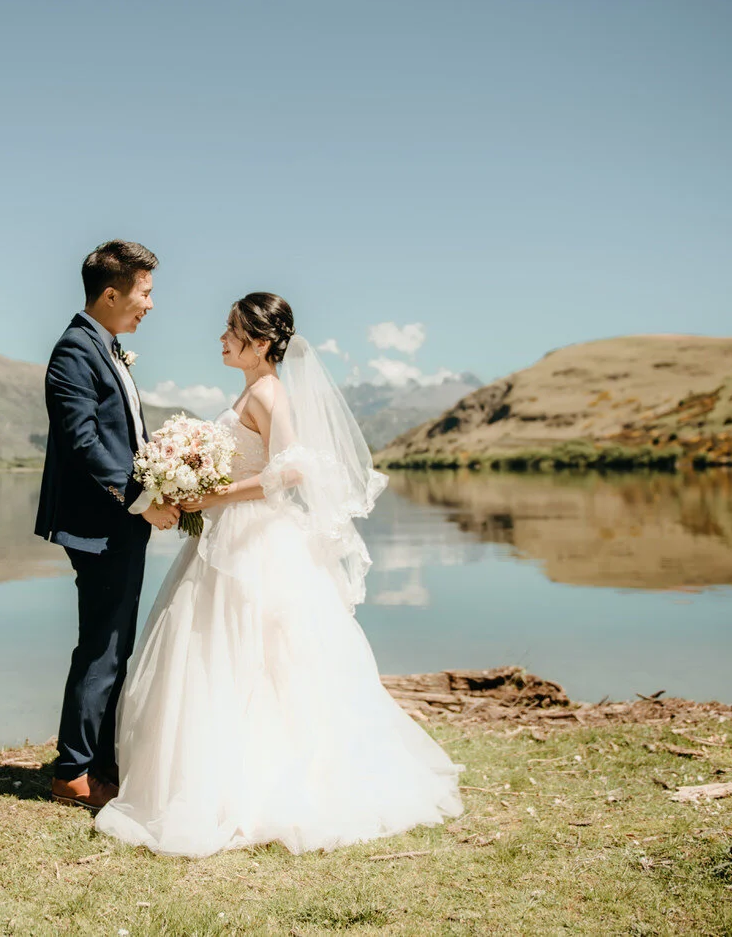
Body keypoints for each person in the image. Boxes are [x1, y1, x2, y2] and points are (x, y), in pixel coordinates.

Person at [93, 292, 464, 856]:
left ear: (260, 342)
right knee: (228, 654)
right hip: (230, 535)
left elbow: (289, 471)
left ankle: (260, 784)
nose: (221, 338)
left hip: (255, 540)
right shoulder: (251, 389)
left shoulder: (267, 392)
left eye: (231, 330)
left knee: (258, 655)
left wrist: (215, 492)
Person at [35, 240, 180, 811]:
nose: (150, 304)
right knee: (103, 643)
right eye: (145, 292)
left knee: (112, 642)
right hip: (101, 522)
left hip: (118, 519)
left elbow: (122, 436)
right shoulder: (75, 350)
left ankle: (100, 761)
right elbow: (84, 444)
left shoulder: (106, 346)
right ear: (113, 292)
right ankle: (73, 771)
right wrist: (144, 499)